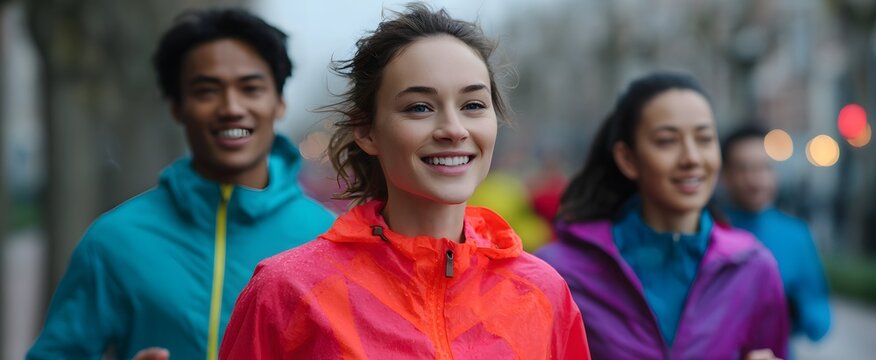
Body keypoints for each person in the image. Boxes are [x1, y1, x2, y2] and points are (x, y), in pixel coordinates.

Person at [219, 4, 591, 359]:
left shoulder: (543, 292)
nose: (453, 129)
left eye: (473, 105)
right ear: (366, 132)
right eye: (419, 108)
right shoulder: (287, 290)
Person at [27, 8, 335, 360]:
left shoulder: (329, 239)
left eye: (251, 88)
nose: (232, 107)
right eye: (207, 91)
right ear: (177, 107)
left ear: (278, 103)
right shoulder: (115, 240)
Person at [536, 72, 789, 359]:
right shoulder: (560, 275)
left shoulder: (753, 268)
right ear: (628, 159)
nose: (692, 157)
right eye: (667, 141)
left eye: (705, 139)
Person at [721, 125, 831, 343]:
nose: (755, 179)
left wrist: (795, 310)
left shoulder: (796, 235)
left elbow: (820, 318)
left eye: (765, 167)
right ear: (724, 174)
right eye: (743, 168)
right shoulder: (709, 229)